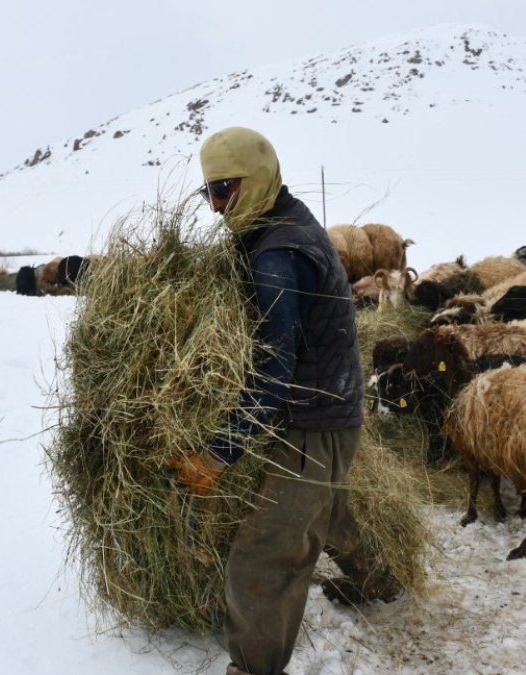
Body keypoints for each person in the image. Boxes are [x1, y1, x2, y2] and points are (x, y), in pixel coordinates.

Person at [168, 126, 400, 675]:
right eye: (210, 195)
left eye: (226, 190)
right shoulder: (282, 222)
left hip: (314, 416)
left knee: (263, 558)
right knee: (326, 506)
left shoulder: (278, 253)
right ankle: (377, 580)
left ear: (256, 179)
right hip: (331, 404)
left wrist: (217, 455)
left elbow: (274, 370)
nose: (218, 208)